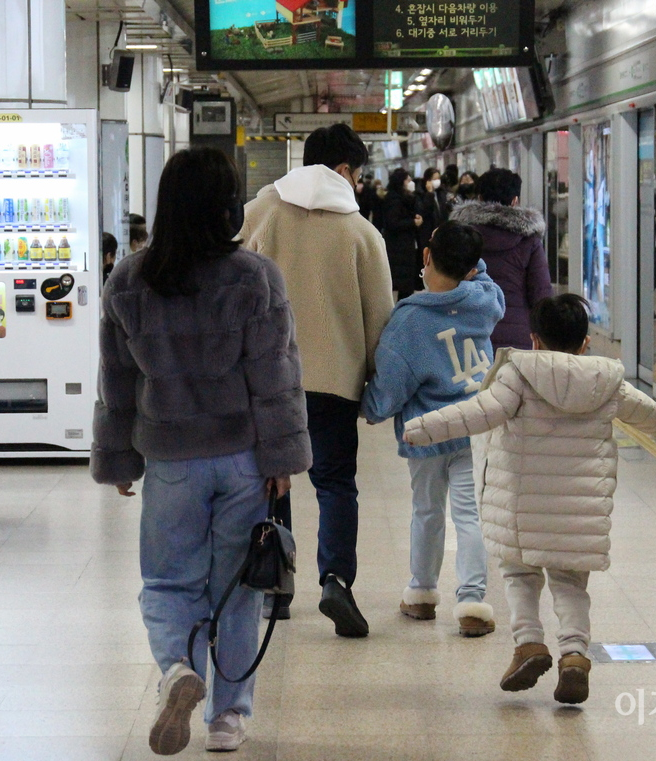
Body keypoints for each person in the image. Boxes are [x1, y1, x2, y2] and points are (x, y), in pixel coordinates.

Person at [91, 146, 311, 755]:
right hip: (242, 457)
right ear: (226, 206)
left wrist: (118, 458)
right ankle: (226, 719)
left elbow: (117, 380)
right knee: (237, 588)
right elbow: (276, 376)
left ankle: (177, 670)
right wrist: (282, 461)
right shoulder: (256, 277)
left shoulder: (129, 280)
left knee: (166, 582)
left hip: (170, 458)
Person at [403, 294, 656, 704]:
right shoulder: (607, 381)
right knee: (570, 582)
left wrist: (418, 429)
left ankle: (529, 645)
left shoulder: (517, 375)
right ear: (585, 342)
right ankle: (574, 654)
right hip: (578, 511)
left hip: (521, 509)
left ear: (534, 339)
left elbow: (477, 413)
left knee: (519, 575)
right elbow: (650, 413)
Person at [239, 123, 394, 636]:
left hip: (267, 378)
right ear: (344, 171)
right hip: (334, 380)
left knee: (271, 481)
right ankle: (335, 581)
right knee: (334, 482)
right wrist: (373, 379)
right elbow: (380, 316)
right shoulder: (361, 233)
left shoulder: (262, 211)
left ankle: (274, 585)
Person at [362, 221, 504, 636]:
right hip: (475, 425)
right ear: (470, 266)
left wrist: (368, 410)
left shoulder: (408, 324)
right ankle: (473, 600)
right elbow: (486, 278)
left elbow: (390, 388)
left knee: (427, 512)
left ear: (426, 257)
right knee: (470, 514)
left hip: (427, 434)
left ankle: (421, 593)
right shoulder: (484, 300)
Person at [451, 167, 552, 352]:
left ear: (479, 198)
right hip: (518, 337)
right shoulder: (529, 241)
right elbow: (541, 293)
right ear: (515, 201)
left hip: (468, 333)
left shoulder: (460, 236)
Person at [383, 167, 423, 300]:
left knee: (406, 285)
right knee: (404, 285)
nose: (410, 182)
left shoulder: (404, 198)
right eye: (408, 180)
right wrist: (412, 222)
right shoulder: (395, 199)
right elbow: (392, 223)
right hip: (399, 247)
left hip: (405, 246)